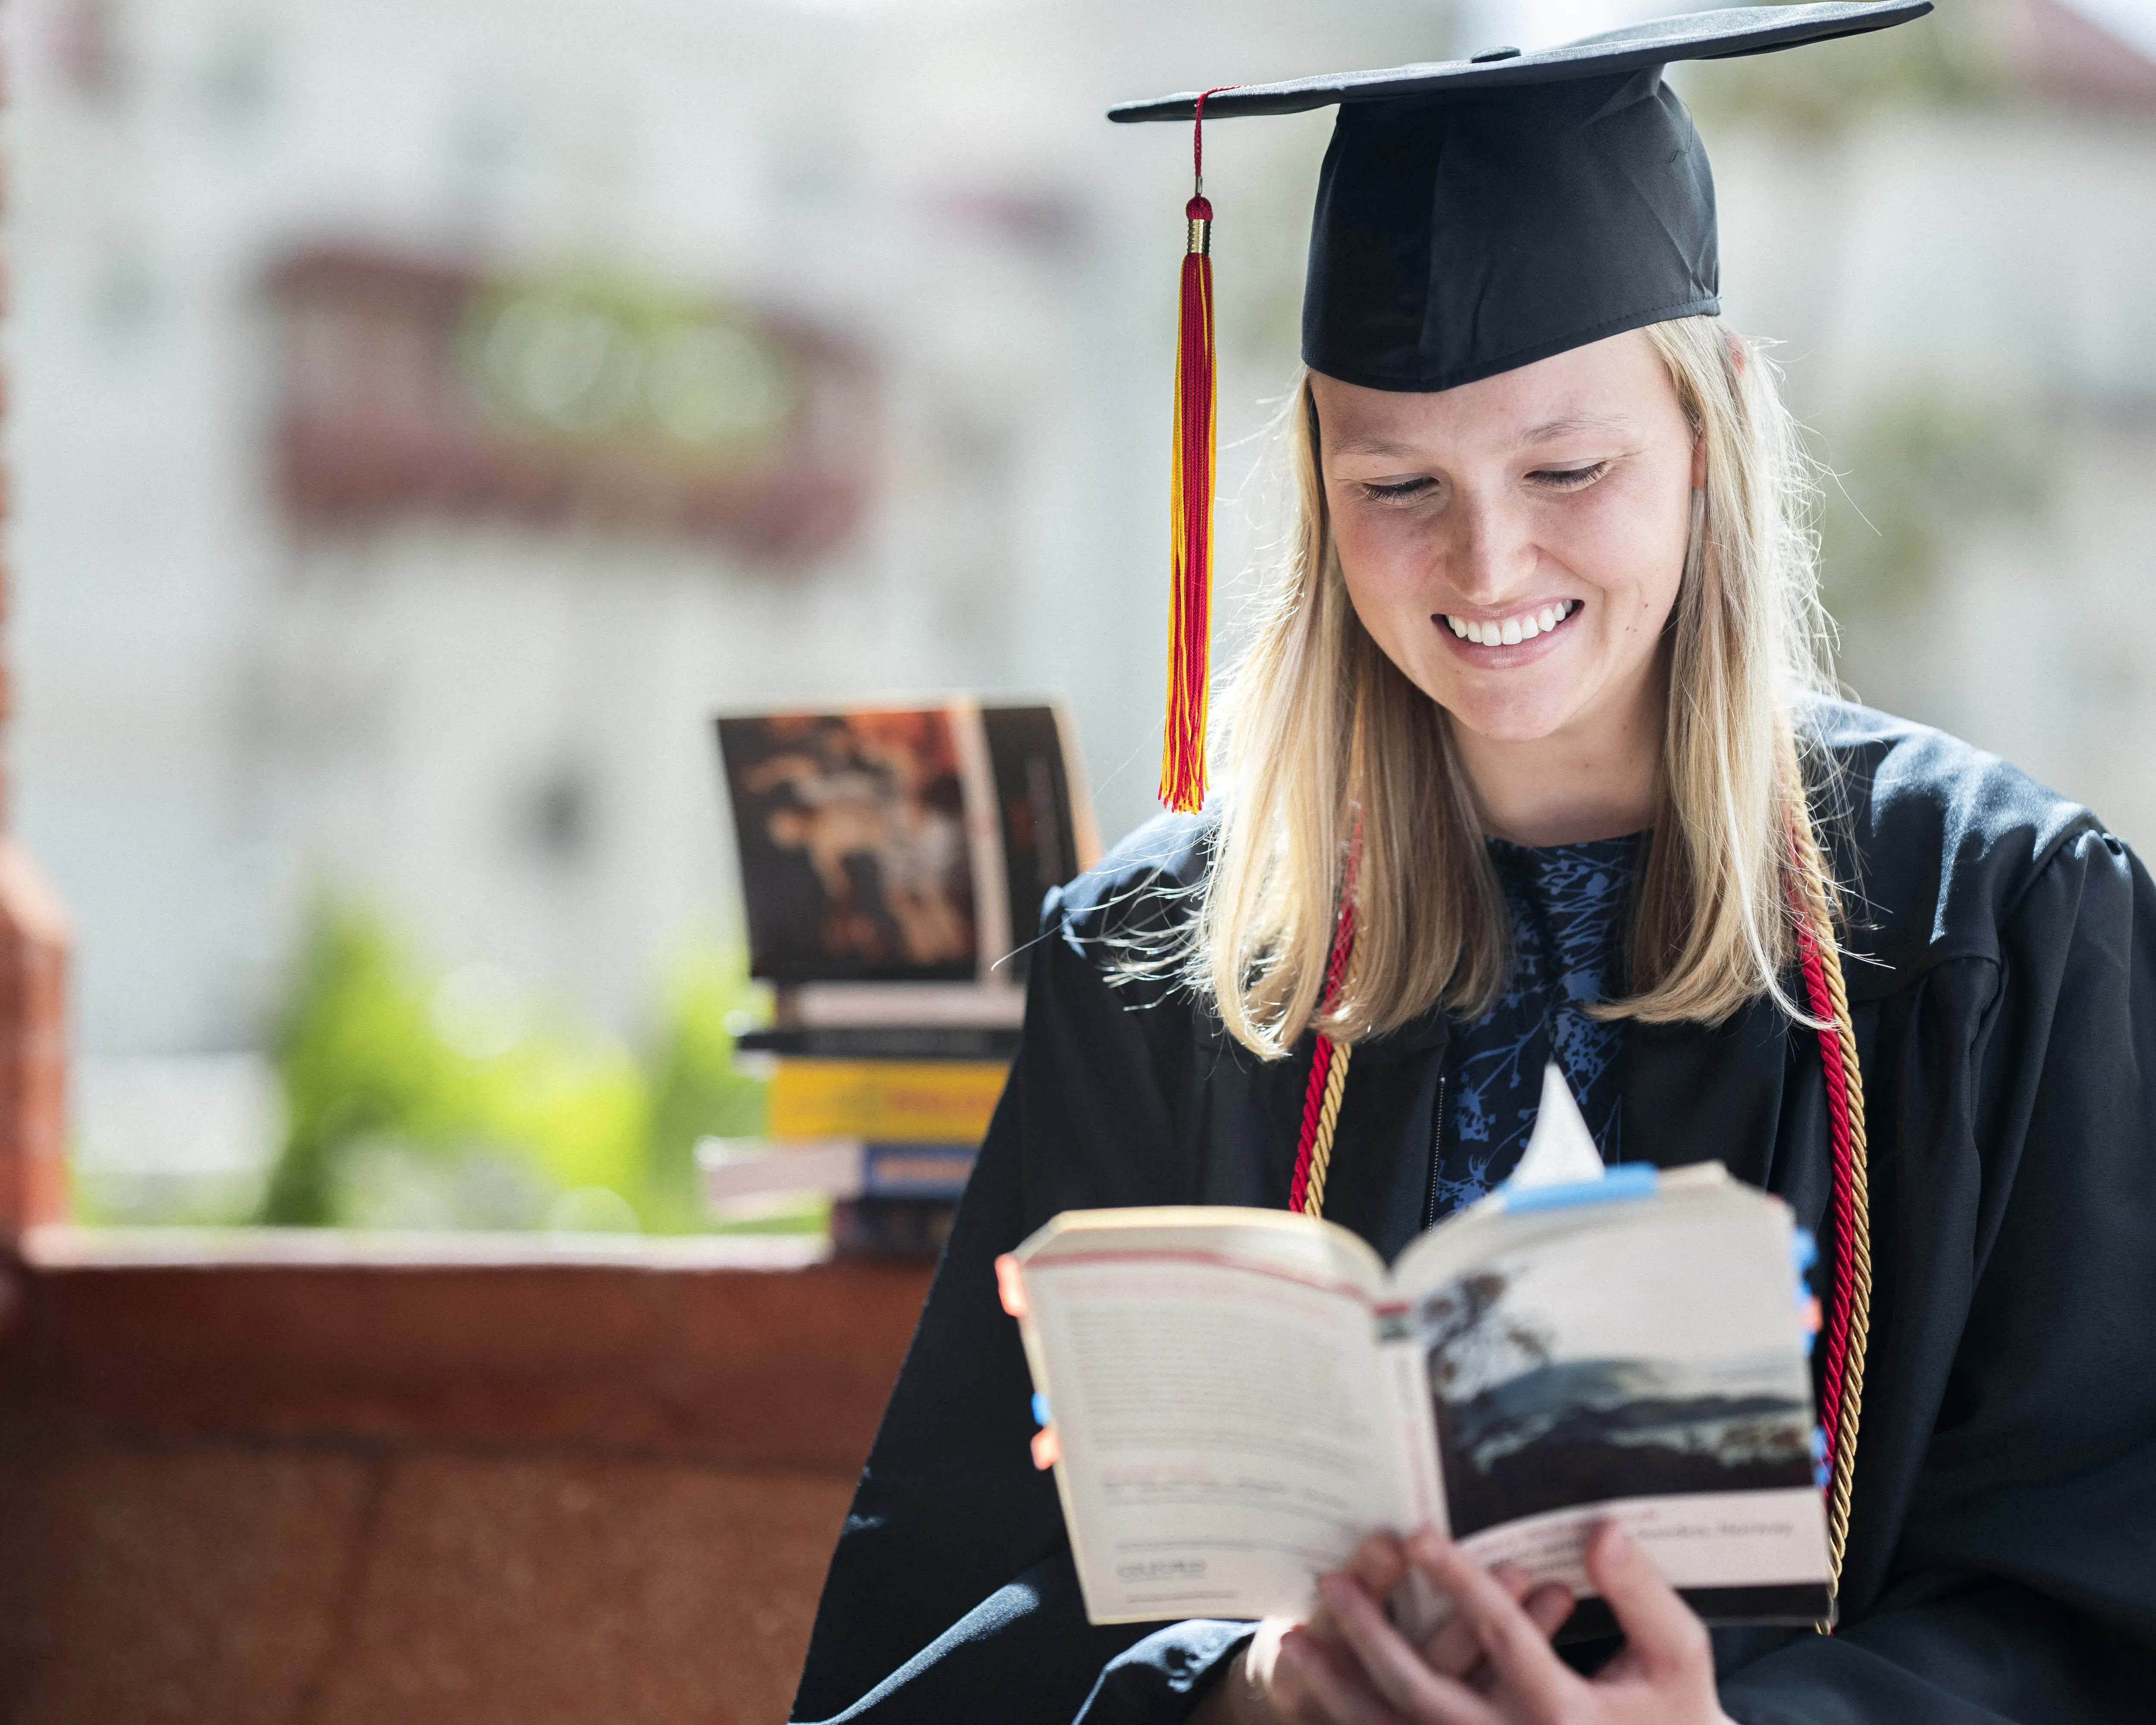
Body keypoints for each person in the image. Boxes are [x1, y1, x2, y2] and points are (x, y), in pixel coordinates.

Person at [790, 5, 2156, 1720]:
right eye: (1394, 484)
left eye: (1566, 464)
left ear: (1709, 428)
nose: (1485, 555)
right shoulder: (1163, 959)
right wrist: (1241, 1694)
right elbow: (939, 1608)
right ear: (1311, 477)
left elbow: (2098, 1581)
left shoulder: (1998, 923)